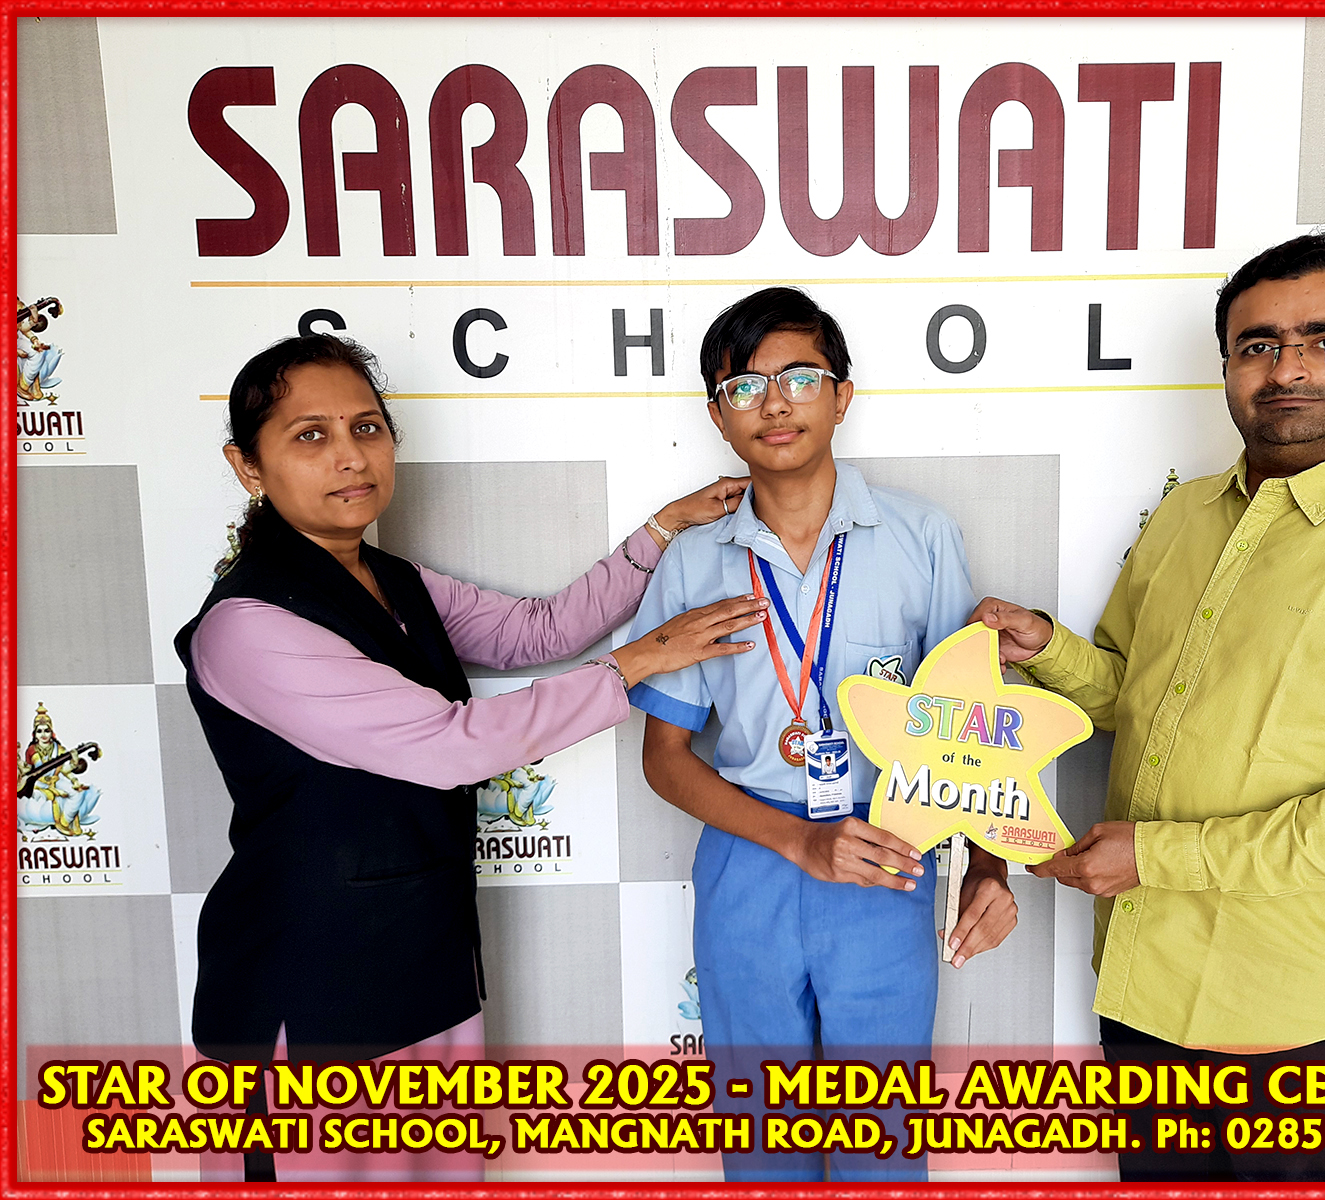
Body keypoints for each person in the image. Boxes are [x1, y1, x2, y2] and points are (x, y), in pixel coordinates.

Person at [973, 232, 1325, 1182]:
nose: (1289, 367)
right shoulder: (1185, 515)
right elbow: (1134, 694)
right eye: (1258, 344)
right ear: (1229, 365)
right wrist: (1048, 650)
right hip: (1141, 980)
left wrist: (1157, 857)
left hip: (1282, 1013)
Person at [173, 333, 767, 1182]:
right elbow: (450, 744)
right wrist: (641, 661)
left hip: (428, 967)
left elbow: (538, 632)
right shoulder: (247, 626)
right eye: (311, 435)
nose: (351, 456)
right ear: (248, 467)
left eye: (367, 428)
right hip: (309, 994)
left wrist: (663, 529)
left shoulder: (392, 580)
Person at [629, 287, 1019, 1183]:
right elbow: (664, 760)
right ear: (718, 414)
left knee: (880, 1140)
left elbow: (970, 729)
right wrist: (797, 841)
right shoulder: (694, 560)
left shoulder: (921, 536)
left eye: (800, 378)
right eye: (745, 387)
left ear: (842, 396)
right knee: (760, 1137)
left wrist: (990, 863)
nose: (774, 404)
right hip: (750, 855)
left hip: (888, 849)